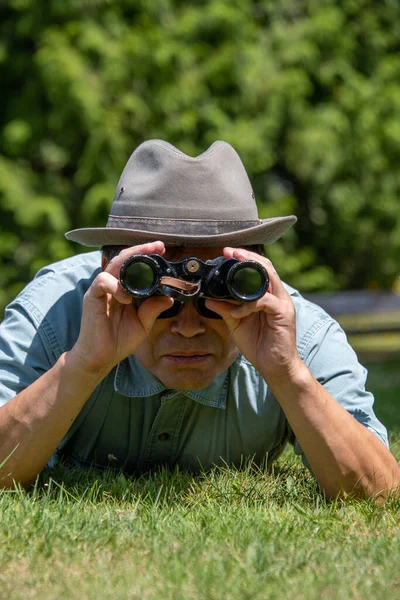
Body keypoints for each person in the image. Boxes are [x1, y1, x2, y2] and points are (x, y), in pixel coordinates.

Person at [0, 139, 399, 499]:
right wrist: (84, 365)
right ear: (111, 270)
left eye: (217, 297)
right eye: (160, 296)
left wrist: (288, 373)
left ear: (254, 273)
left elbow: (380, 493)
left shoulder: (297, 332)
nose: (188, 327)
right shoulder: (54, 313)